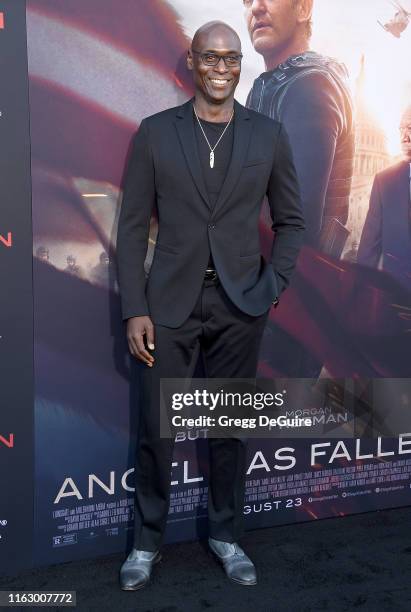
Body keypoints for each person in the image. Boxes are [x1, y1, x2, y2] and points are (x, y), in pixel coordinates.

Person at [116, 20, 304, 590]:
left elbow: (292, 222)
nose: (221, 69)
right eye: (210, 58)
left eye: (231, 59)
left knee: (228, 430)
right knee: (157, 429)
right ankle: (146, 544)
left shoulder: (267, 134)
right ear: (193, 63)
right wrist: (134, 307)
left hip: (239, 307)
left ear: (239, 65)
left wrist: (272, 286)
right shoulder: (154, 133)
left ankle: (226, 535)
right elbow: (129, 230)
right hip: (167, 306)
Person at [243, 0, 354, 376]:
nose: (255, 8)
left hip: (278, 330)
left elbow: (295, 227)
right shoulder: (270, 86)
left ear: (304, 8)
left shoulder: (309, 85)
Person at [357, 105, 411, 292]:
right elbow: (367, 253)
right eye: (401, 129)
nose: (404, 137)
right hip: (396, 302)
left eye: (410, 128)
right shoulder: (384, 181)